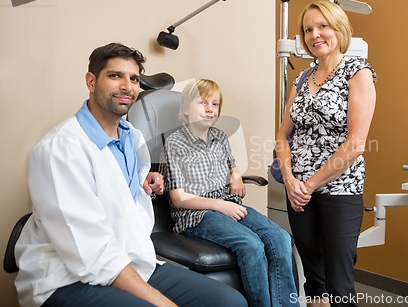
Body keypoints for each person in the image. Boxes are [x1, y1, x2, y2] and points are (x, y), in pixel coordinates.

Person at [14, 43, 247, 307]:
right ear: (91, 81)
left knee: (229, 302)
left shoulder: (131, 137)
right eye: (115, 76)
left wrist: (145, 179)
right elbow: (91, 253)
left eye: (134, 79)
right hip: (66, 277)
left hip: (132, 260)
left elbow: (117, 185)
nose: (128, 86)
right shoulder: (60, 148)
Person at [159, 79, 299, 307]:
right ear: (185, 109)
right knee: (251, 244)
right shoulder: (175, 143)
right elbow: (177, 198)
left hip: (228, 203)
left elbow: (231, 164)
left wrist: (235, 174)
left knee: (281, 238)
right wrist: (219, 205)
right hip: (197, 214)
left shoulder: (220, 137)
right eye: (202, 103)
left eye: (215, 104)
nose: (209, 109)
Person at [275, 1, 377, 307]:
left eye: (323, 26)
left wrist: (309, 184)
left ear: (339, 29)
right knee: (313, 277)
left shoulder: (358, 73)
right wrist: (291, 180)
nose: (314, 34)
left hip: (339, 188)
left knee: (339, 280)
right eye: (308, 29)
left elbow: (356, 143)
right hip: (299, 192)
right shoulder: (303, 79)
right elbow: (282, 135)